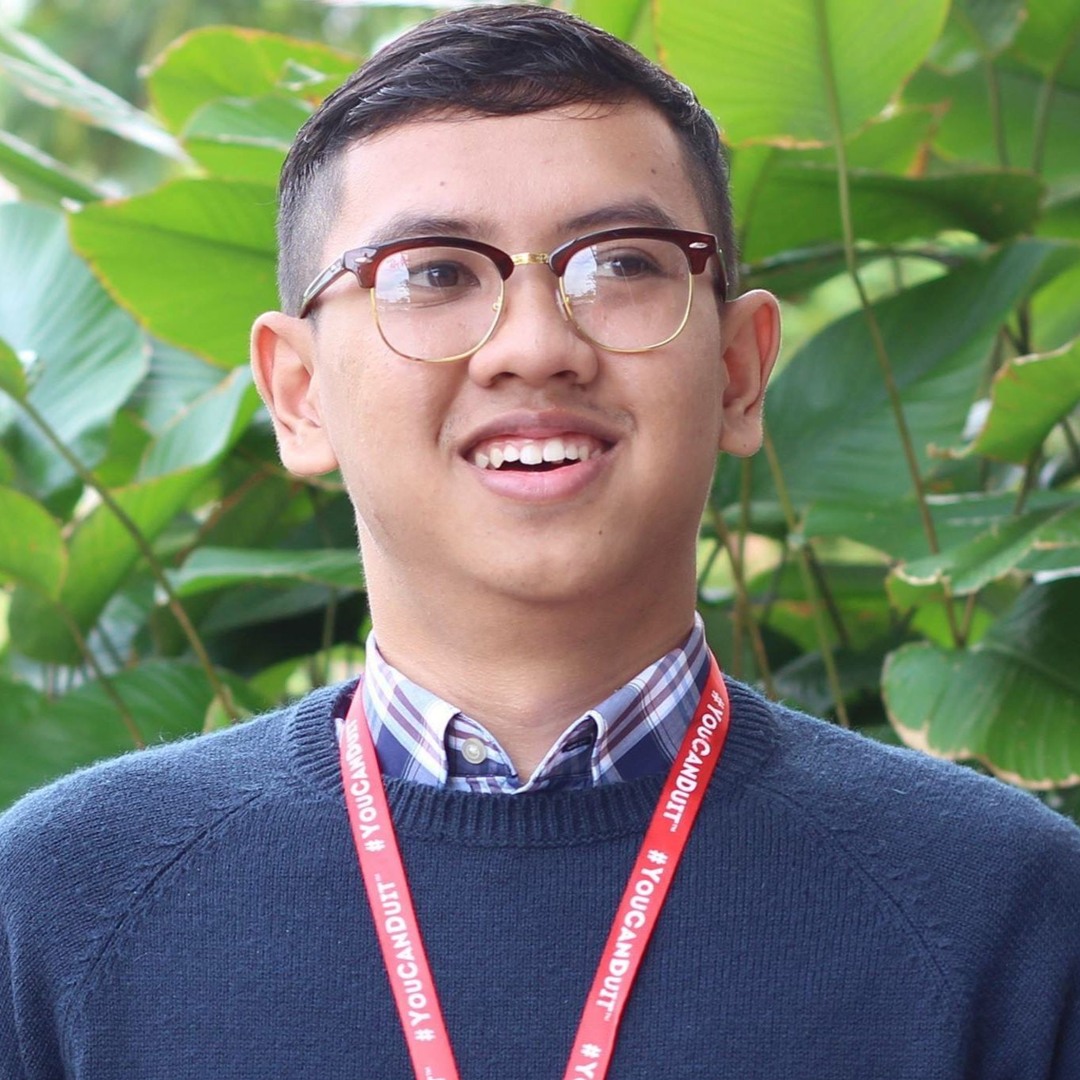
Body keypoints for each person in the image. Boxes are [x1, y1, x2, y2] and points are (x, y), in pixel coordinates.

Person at [2, 5, 1079, 1078]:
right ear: (299, 393)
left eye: (620, 264)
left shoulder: (1007, 912)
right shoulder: (60, 907)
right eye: (433, 272)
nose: (533, 345)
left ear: (740, 371)